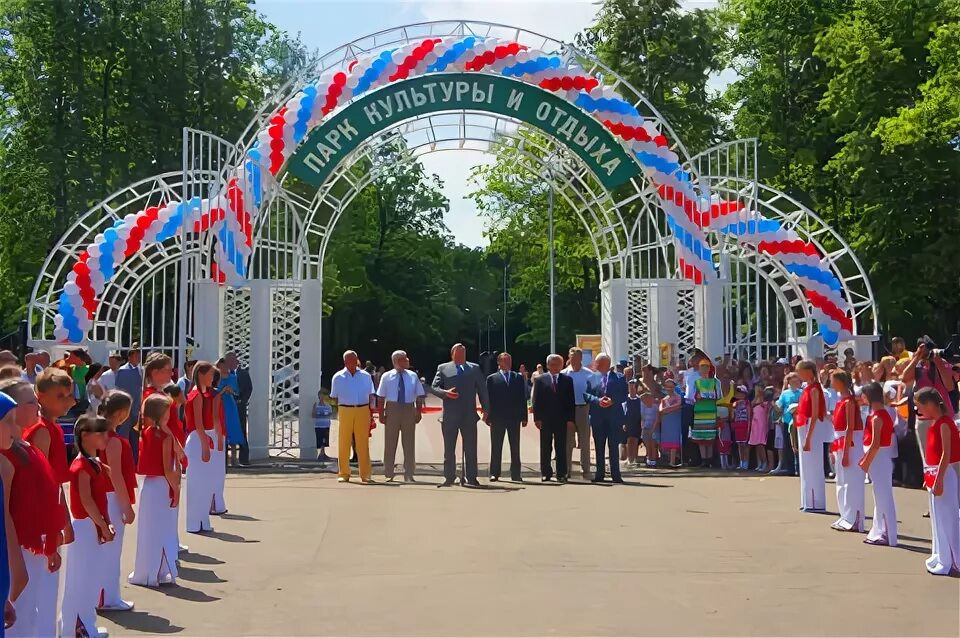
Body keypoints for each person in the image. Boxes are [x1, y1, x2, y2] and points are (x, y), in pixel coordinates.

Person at [0, 380, 61, 638]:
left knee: (31, 613)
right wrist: (17, 566)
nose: (37, 406)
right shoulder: (6, 459)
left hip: (35, 542)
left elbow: (50, 491)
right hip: (20, 547)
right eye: (31, 402)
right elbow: (6, 516)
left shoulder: (26, 448)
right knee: (21, 618)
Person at [59, 414, 113, 638]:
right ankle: (75, 628)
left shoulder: (94, 463)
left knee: (91, 578)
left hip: (92, 526)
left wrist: (103, 524)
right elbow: (86, 500)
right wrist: (102, 525)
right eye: (99, 432)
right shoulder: (81, 465)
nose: (105, 436)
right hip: (85, 526)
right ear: (85, 436)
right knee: (80, 579)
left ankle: (85, 625)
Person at [128, 393, 180, 587]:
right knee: (160, 530)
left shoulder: (146, 432)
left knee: (148, 530)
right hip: (161, 485)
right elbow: (168, 468)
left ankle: (147, 571)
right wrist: (175, 489)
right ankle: (158, 571)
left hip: (147, 485)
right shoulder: (165, 437)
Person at [24, 368, 74, 557]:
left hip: (50, 511)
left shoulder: (54, 428)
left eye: (68, 395)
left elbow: (57, 484)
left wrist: (66, 520)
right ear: (41, 397)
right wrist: (51, 528)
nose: (67, 401)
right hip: (40, 516)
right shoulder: (42, 430)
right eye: (60, 396)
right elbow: (40, 483)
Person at [96, 391, 137, 611]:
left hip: (106, 496)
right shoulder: (113, 440)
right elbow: (116, 475)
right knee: (111, 550)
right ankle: (106, 598)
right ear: (121, 414)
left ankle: (107, 596)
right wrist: (126, 506)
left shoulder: (98, 434)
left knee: (109, 549)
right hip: (112, 497)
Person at [429, 344, 489, 488]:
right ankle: (449, 477)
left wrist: (486, 408)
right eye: (458, 353)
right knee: (449, 448)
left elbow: (482, 389)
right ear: (452, 354)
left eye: (463, 353)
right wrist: (445, 393)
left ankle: (472, 477)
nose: (461, 355)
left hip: (468, 414)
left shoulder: (474, 368)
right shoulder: (443, 368)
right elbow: (434, 387)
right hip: (450, 415)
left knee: (471, 448)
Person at [915, 387, 960, 576]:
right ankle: (943, 556)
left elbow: (946, 454)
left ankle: (954, 561)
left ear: (931, 404)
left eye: (920, 406)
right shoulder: (936, 422)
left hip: (944, 475)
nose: (919, 411)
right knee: (938, 518)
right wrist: (930, 478)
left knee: (947, 518)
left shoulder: (944, 423)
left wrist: (939, 479)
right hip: (936, 474)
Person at [377, 350, 425, 483]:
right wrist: (381, 414)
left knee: (409, 442)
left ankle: (409, 472)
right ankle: (389, 472)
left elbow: (419, 395)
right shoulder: (386, 376)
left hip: (409, 408)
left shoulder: (413, 376)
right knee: (390, 442)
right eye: (405, 359)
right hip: (392, 408)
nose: (408, 360)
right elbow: (381, 397)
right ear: (397, 361)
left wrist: (418, 412)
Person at [184, 362, 222, 531]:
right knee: (197, 484)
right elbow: (198, 423)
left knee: (205, 483)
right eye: (210, 375)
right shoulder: (197, 395)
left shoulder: (203, 394)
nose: (213, 379)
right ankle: (194, 522)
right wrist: (205, 446)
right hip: (198, 439)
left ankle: (202, 521)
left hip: (202, 438)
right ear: (201, 375)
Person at [859, 382, 898, 547]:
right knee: (879, 495)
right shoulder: (877, 414)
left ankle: (887, 534)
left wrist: (866, 461)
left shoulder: (879, 417)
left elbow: (876, 444)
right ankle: (879, 531)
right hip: (878, 457)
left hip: (879, 458)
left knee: (883, 496)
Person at [331, 351, 376, 483]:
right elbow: (334, 397)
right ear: (345, 362)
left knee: (362, 442)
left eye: (354, 359)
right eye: (349, 360)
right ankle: (344, 473)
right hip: (345, 409)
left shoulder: (366, 376)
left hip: (363, 409)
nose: (352, 362)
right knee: (344, 442)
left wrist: (372, 411)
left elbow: (371, 394)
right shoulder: (338, 377)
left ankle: (365, 474)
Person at [830, 370, 865, 532]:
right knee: (841, 481)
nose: (830, 382)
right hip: (840, 441)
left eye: (833, 380)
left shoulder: (850, 402)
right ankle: (845, 515)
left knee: (851, 482)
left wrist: (846, 453)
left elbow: (850, 427)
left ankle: (854, 519)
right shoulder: (840, 400)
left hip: (849, 443)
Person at [584, 353, 627, 483]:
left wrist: (612, 401)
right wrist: (598, 400)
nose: (595, 364)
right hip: (598, 416)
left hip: (614, 416)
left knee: (613, 446)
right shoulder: (591, 377)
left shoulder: (619, 378)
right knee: (599, 446)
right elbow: (586, 395)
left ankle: (616, 475)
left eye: (598, 362)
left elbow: (624, 394)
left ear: (605, 364)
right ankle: (600, 474)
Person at [531, 354, 575, 483]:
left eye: (558, 364)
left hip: (561, 419)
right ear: (548, 365)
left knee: (561, 446)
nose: (556, 367)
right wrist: (537, 418)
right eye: (553, 364)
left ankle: (561, 473)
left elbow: (570, 401)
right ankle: (546, 473)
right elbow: (536, 400)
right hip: (545, 419)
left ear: (562, 366)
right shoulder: (540, 380)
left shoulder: (567, 380)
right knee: (545, 446)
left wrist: (570, 419)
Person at [485, 352, 527, 482]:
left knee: (515, 446)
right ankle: (494, 473)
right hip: (498, 417)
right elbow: (488, 399)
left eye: (509, 360)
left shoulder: (518, 378)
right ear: (499, 363)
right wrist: (488, 416)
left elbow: (522, 398)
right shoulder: (492, 378)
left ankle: (515, 474)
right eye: (505, 361)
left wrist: (524, 416)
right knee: (496, 446)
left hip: (514, 417)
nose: (508, 363)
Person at [794, 360, 828, 512]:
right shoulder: (807, 387)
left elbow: (815, 415)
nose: (798, 375)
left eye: (800, 371)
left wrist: (809, 437)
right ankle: (807, 500)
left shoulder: (815, 389)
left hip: (810, 427)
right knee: (805, 465)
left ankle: (816, 501)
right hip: (803, 426)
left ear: (808, 371)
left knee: (813, 465)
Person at [562, 348, 594, 480]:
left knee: (584, 441)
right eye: (571, 357)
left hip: (583, 408)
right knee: (567, 441)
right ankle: (566, 470)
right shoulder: (564, 374)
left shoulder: (589, 374)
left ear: (581, 358)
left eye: (576, 357)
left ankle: (585, 469)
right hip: (568, 410)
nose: (573, 359)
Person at [115, 344, 143, 460]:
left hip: (137, 410)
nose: (139, 358)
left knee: (135, 438)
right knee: (124, 436)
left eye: (139, 356)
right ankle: (122, 458)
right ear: (130, 357)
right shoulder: (123, 371)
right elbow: (119, 389)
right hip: (126, 409)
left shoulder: (141, 370)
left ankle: (135, 460)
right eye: (136, 356)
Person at [215, 358, 244, 469]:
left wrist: (232, 391)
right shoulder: (216, 377)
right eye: (222, 365)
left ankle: (234, 459)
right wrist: (223, 390)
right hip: (220, 406)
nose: (225, 367)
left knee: (233, 430)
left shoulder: (233, 377)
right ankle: (223, 459)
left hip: (231, 406)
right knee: (222, 431)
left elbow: (237, 391)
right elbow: (214, 391)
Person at [691, 360, 720, 468]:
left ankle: (710, 459)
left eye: (706, 366)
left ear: (709, 368)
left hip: (710, 411)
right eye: (702, 367)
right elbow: (692, 396)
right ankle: (704, 459)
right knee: (701, 436)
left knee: (710, 436)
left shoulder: (715, 382)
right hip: (700, 411)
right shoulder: (696, 382)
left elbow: (718, 395)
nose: (704, 369)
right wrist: (697, 397)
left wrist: (710, 396)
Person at [775, 373, 803, 476]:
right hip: (787, 421)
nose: (795, 383)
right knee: (788, 445)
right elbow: (779, 407)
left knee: (799, 445)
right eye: (792, 381)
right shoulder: (785, 393)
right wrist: (774, 404)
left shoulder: (802, 392)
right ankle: (790, 468)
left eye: (797, 381)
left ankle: (800, 468)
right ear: (789, 382)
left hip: (800, 422)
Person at [658, 378, 683, 467]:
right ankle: (670, 460)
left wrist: (667, 409)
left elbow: (678, 405)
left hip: (675, 421)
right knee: (667, 441)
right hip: (666, 422)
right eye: (667, 387)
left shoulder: (678, 397)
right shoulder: (664, 399)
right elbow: (661, 410)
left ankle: (672, 461)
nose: (669, 389)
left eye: (671, 387)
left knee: (674, 440)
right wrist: (669, 409)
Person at [749, 387, 772, 472]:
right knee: (756, 445)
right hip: (755, 426)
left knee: (761, 445)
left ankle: (765, 462)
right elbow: (751, 404)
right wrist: (757, 396)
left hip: (762, 426)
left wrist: (761, 396)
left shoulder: (765, 403)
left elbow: (764, 405)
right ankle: (760, 463)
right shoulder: (755, 403)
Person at [731, 385, 751, 470]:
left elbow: (749, 416)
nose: (739, 395)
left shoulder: (747, 403)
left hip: (745, 425)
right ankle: (741, 462)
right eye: (738, 393)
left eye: (741, 393)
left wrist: (749, 427)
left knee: (744, 445)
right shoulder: (735, 404)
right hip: (737, 425)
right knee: (739, 444)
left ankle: (746, 463)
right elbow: (732, 416)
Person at [623, 380, 642, 466]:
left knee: (635, 440)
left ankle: (634, 458)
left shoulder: (639, 399)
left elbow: (642, 411)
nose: (631, 389)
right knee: (629, 440)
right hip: (628, 421)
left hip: (637, 421)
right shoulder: (625, 399)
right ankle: (629, 458)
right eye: (629, 387)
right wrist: (623, 423)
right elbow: (623, 411)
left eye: (633, 387)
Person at [639, 389, 660, 467]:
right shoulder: (643, 406)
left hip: (654, 427)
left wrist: (653, 429)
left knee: (653, 445)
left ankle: (654, 461)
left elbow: (657, 418)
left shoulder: (656, 406)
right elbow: (642, 418)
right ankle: (649, 460)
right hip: (646, 427)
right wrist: (643, 428)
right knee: (647, 444)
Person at [312, 391, 333, 463]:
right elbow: (313, 415)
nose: (322, 398)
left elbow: (330, 414)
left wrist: (321, 415)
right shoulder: (316, 405)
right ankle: (320, 454)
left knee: (325, 440)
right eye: (320, 396)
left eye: (323, 396)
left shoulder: (328, 406)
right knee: (320, 440)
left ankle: (323, 453)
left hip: (326, 425)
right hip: (318, 425)